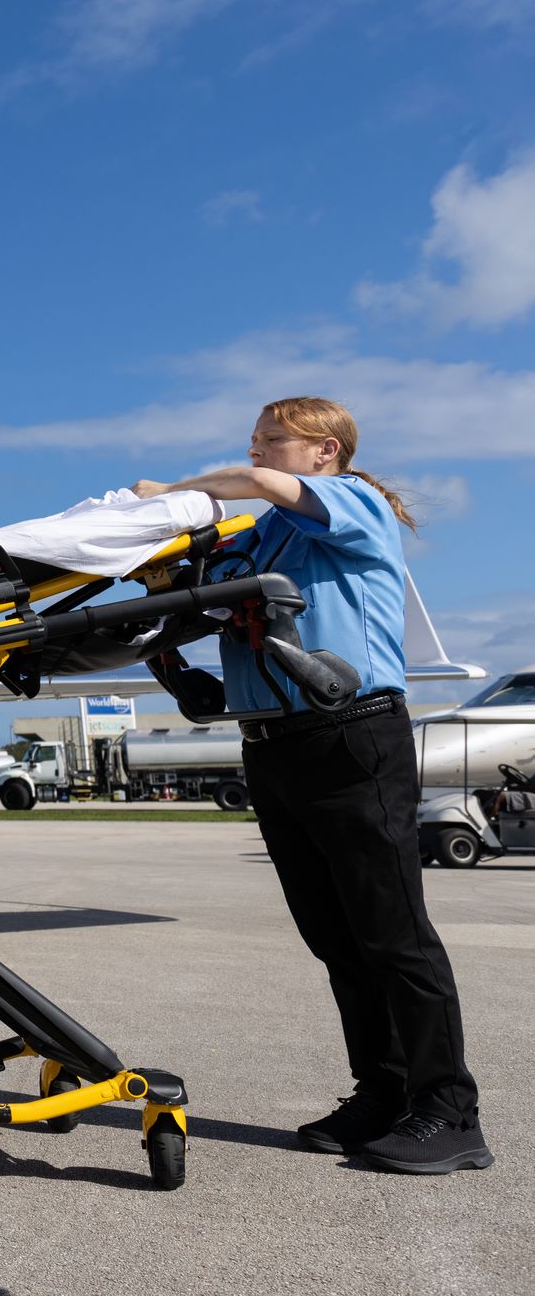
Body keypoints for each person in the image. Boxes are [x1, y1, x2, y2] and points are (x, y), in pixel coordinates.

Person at [133, 397, 490, 1175]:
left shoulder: (353, 503)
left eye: (272, 439)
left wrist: (175, 494)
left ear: (325, 451)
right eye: (255, 438)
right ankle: (384, 1091)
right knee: (336, 938)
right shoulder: (260, 536)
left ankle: (449, 1110)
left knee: (393, 933)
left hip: (350, 733)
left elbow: (252, 484)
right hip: (274, 743)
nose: (256, 450)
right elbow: (191, 594)